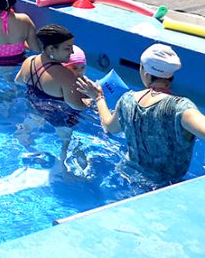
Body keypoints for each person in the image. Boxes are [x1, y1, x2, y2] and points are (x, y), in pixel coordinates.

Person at [77, 43, 205, 184]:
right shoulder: (181, 108)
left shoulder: (127, 100)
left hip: (127, 177)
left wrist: (99, 97)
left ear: (146, 72)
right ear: (171, 75)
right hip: (166, 187)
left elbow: (109, 127)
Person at [14, 24, 88, 127]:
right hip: (59, 118)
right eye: (67, 48)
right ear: (51, 49)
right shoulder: (65, 76)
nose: (72, 51)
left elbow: (18, 82)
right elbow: (77, 106)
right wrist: (94, 98)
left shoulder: (29, 61)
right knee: (67, 139)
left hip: (33, 108)